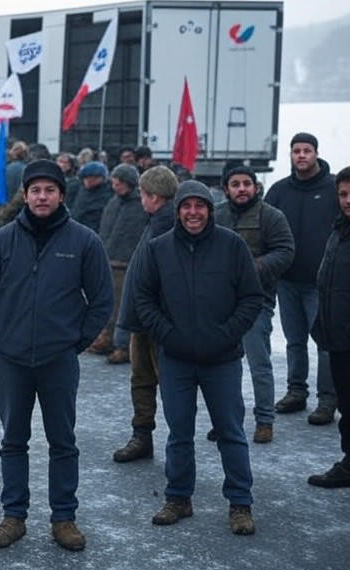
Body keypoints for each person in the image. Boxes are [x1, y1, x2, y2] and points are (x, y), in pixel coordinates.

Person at [0, 160, 113, 551]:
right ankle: (13, 516)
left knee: (62, 442)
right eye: (35, 190)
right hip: (12, 360)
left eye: (49, 190)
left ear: (61, 195)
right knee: (13, 440)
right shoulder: (1, 241)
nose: (42, 196)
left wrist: (74, 342)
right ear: (26, 195)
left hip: (58, 361)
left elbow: (101, 301)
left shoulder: (84, 241)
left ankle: (63, 518)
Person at [133, 180, 263, 534]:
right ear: (177, 211)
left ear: (209, 209)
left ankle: (240, 503)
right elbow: (143, 298)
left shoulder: (232, 245)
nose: (193, 213)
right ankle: (178, 498)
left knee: (230, 432)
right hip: (176, 358)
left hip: (222, 358)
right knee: (179, 432)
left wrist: (226, 334)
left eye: (200, 206)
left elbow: (252, 297)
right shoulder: (159, 249)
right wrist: (167, 335)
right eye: (186, 206)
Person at [213, 162, 294, 443]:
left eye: (246, 184)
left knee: (259, 363)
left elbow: (285, 251)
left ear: (255, 186)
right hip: (220, 302)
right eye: (235, 184)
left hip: (255, 301)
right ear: (226, 189)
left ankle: (264, 420)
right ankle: (226, 420)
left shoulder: (271, 216)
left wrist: (253, 267)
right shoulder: (217, 214)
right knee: (222, 365)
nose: (242, 189)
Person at [265, 133, 338, 425]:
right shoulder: (280, 191)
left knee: (324, 342)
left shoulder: (334, 189)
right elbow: (264, 226)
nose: (301, 156)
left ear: (316, 153)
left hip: (322, 283)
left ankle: (327, 400)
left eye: (307, 150)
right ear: (291, 155)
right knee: (295, 341)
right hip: (287, 280)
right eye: (296, 151)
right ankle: (296, 391)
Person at [113, 165, 179, 462]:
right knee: (142, 379)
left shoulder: (165, 226)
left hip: (154, 323)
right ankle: (143, 436)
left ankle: (172, 442)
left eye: (143, 192)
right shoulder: (156, 221)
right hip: (144, 321)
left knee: (163, 382)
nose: (141, 198)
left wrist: (153, 319)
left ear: (153, 196)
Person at [307, 165, 350, 489]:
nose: (349, 200)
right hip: (338, 336)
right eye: (343, 194)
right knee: (349, 406)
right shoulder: (340, 229)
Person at [89, 163, 147, 361]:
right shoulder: (113, 203)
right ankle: (107, 338)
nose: (115, 185)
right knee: (109, 304)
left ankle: (124, 345)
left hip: (128, 262)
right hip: (108, 259)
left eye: (120, 182)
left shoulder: (141, 204)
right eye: (114, 181)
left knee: (125, 307)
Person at [71, 161, 113, 233]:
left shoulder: (108, 193)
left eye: (92, 177)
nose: (88, 181)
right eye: (86, 178)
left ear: (102, 178)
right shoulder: (81, 190)